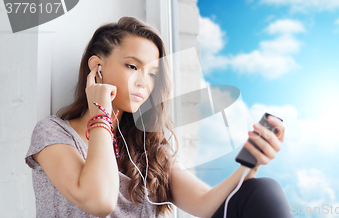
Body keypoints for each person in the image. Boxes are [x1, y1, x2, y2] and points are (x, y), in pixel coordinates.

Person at [25, 16, 292, 218]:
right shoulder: (53, 134)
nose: (144, 82)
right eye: (132, 66)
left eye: (152, 74)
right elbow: (99, 201)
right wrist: (101, 116)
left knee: (261, 190)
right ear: (97, 67)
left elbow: (205, 203)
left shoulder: (147, 147)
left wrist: (251, 163)